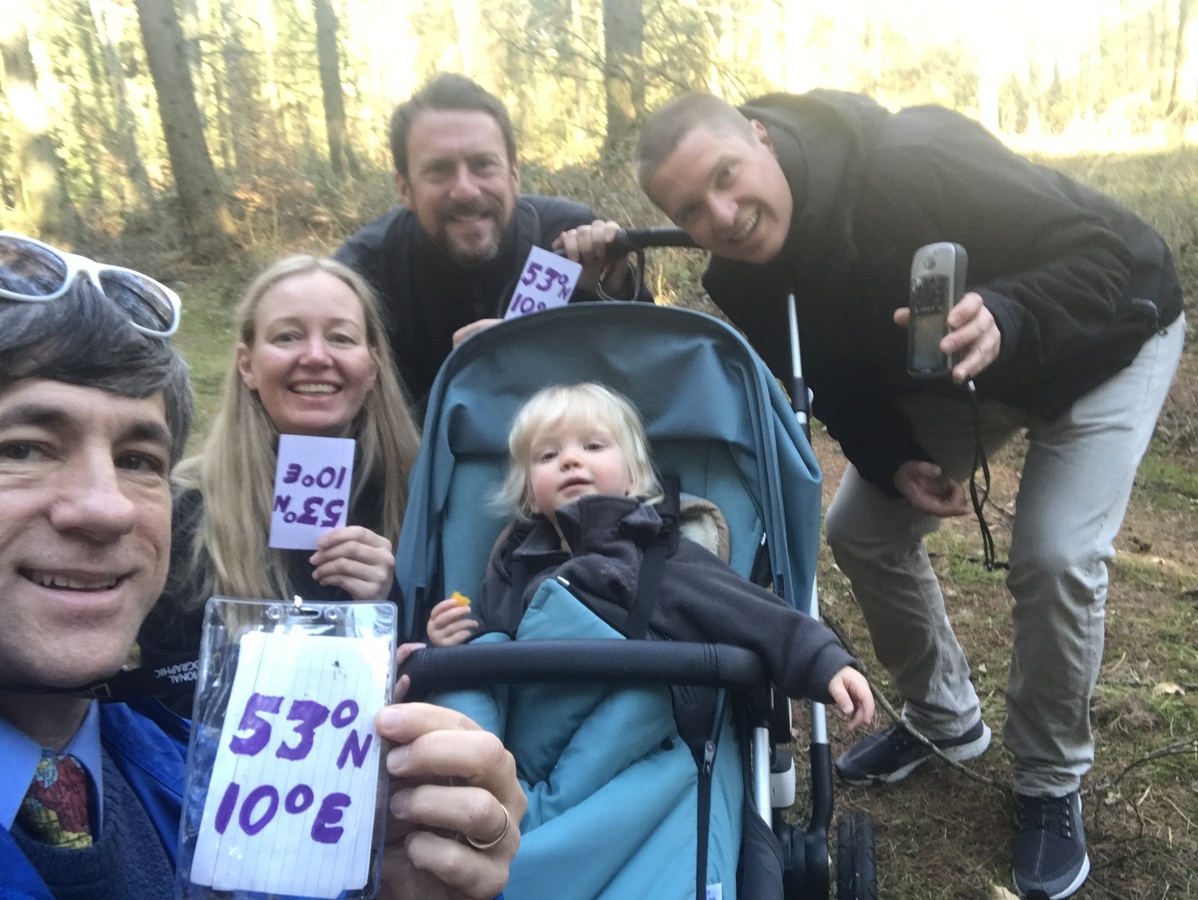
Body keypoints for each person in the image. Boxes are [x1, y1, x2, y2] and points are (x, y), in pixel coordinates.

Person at [633, 90, 1186, 899]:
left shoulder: (911, 158)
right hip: (969, 371)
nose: (726, 213)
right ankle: (944, 716)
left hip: (1107, 337)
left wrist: (1008, 310)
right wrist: (894, 461)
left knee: (1057, 553)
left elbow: (1099, 253)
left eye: (727, 174)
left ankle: (1048, 779)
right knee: (860, 529)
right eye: (692, 207)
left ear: (760, 138)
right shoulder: (745, 281)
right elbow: (836, 386)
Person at [0, 232, 524, 899]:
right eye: (22, 449)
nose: (105, 509)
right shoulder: (190, 515)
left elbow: (458, 619)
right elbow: (148, 676)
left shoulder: (434, 492)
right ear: (245, 363)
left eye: (138, 461)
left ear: (373, 361)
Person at [426, 382, 874, 733]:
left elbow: (743, 610)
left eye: (593, 447)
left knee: (641, 709)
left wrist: (822, 661)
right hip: (531, 730)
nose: (570, 460)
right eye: (548, 454)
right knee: (473, 677)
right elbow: (491, 644)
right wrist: (450, 644)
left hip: (629, 724)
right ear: (528, 491)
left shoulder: (654, 552)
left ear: (633, 477)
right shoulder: (513, 566)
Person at [137, 255, 421, 715]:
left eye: (341, 337)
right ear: (247, 365)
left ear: (372, 368)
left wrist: (383, 611)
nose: (314, 356)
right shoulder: (181, 508)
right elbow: (165, 695)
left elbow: (442, 673)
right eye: (287, 336)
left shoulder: (420, 497)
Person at [335, 73, 644, 415]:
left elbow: (646, 373)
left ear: (514, 176)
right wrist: (466, 378)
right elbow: (337, 415)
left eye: (483, 165)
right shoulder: (364, 273)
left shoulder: (567, 236)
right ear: (405, 188)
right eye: (439, 170)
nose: (465, 190)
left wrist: (613, 287)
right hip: (419, 460)